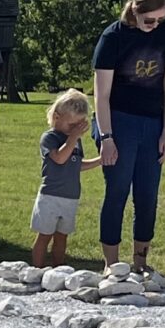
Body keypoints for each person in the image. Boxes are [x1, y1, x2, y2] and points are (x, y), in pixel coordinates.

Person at [92, 0, 165, 272]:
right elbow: (101, 94)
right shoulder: (113, 36)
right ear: (135, 8)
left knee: (147, 194)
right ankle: (112, 264)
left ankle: (141, 262)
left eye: (160, 20)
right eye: (149, 20)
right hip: (117, 119)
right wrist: (107, 137)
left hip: (152, 122)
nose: (154, 25)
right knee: (117, 190)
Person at [32, 90, 108, 269]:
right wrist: (73, 137)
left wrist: (99, 161)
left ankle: (59, 267)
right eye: (72, 125)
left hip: (71, 196)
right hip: (50, 196)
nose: (75, 129)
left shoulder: (74, 141)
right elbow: (59, 158)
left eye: (78, 125)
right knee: (45, 235)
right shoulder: (50, 137)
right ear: (57, 117)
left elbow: (76, 164)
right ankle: (36, 268)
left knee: (62, 236)